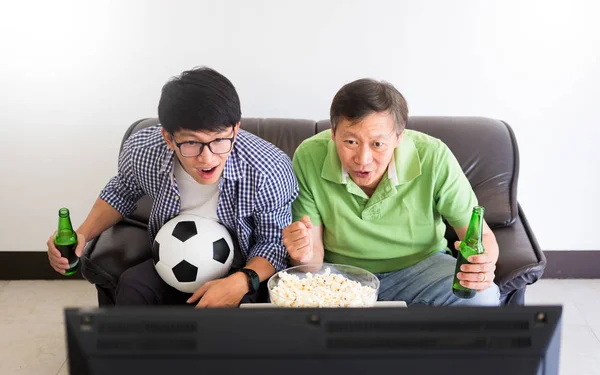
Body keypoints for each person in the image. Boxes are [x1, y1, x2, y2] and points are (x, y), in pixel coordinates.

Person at [47, 67, 298, 307]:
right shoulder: (143, 150)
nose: (207, 158)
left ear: (235, 129)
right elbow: (121, 192)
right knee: (133, 286)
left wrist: (242, 281)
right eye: (192, 143)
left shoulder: (268, 168)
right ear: (168, 138)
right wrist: (81, 234)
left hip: (241, 263)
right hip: (173, 256)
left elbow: (273, 242)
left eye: (219, 140)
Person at [282, 78, 500, 306]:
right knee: (289, 297)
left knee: (482, 297)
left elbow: (481, 235)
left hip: (423, 270)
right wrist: (303, 256)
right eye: (350, 142)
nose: (363, 160)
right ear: (333, 133)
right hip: (340, 275)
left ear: (398, 137)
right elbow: (312, 263)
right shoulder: (309, 156)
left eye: (377, 144)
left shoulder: (433, 156)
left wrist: (482, 267)